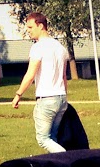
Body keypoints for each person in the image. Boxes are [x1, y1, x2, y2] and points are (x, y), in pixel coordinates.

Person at [12, 11, 70, 153]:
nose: (28, 31)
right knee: (53, 138)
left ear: (41, 26)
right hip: (61, 98)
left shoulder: (38, 47)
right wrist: (64, 97)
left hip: (47, 99)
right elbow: (63, 77)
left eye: (31, 28)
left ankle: (69, 161)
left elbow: (30, 75)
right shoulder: (60, 48)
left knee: (43, 139)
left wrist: (18, 95)